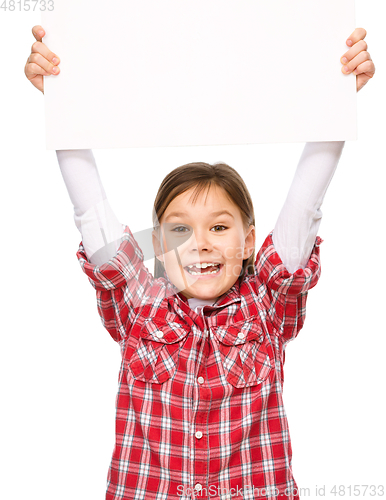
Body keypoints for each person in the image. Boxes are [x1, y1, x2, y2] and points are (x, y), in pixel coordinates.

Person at [25, 25, 375, 500]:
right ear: (157, 244)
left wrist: (336, 101)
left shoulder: (266, 306)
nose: (200, 244)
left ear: (249, 241)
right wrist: (62, 103)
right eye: (180, 229)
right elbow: (95, 222)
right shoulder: (139, 304)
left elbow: (302, 210)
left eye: (218, 227)